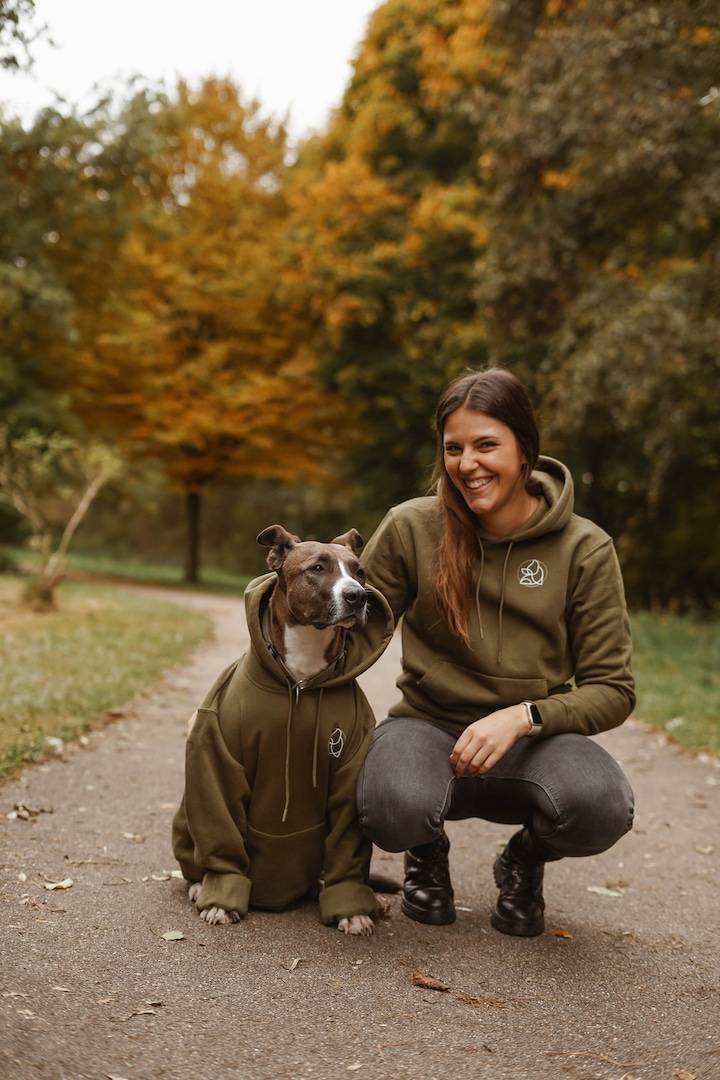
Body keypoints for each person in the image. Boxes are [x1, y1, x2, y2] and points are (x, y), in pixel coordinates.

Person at [356, 367, 635, 937]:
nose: (467, 464)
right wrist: (257, 683)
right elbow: (351, 633)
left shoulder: (584, 548)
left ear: (525, 449)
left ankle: (524, 860)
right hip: (427, 728)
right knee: (389, 802)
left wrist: (525, 716)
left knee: (603, 805)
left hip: (534, 742)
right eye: (453, 448)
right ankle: (425, 850)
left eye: (486, 445)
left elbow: (613, 689)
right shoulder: (411, 528)